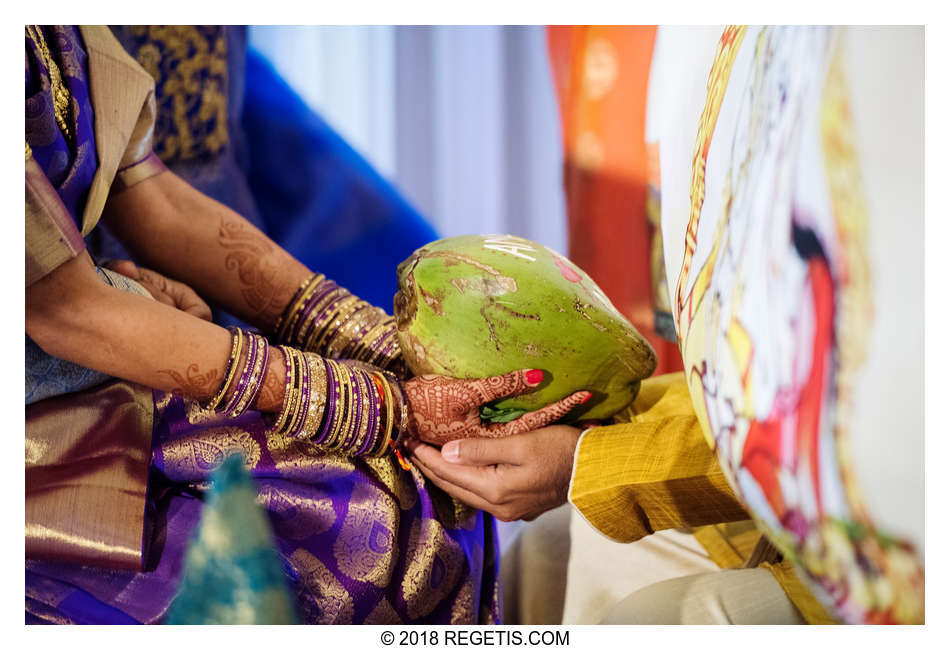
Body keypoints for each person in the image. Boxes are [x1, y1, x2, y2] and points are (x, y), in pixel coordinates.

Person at [25, 25, 588, 624]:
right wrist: (380, 406)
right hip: (48, 429)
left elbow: (152, 196)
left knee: (430, 501)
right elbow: (64, 308)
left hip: (113, 358)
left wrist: (372, 341)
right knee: (365, 533)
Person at [406, 25, 924, 625]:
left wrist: (586, 464)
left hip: (891, 524)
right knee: (549, 554)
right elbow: (754, 383)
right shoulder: (702, 44)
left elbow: (865, 420)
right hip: (771, 488)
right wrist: (589, 438)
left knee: (657, 620)